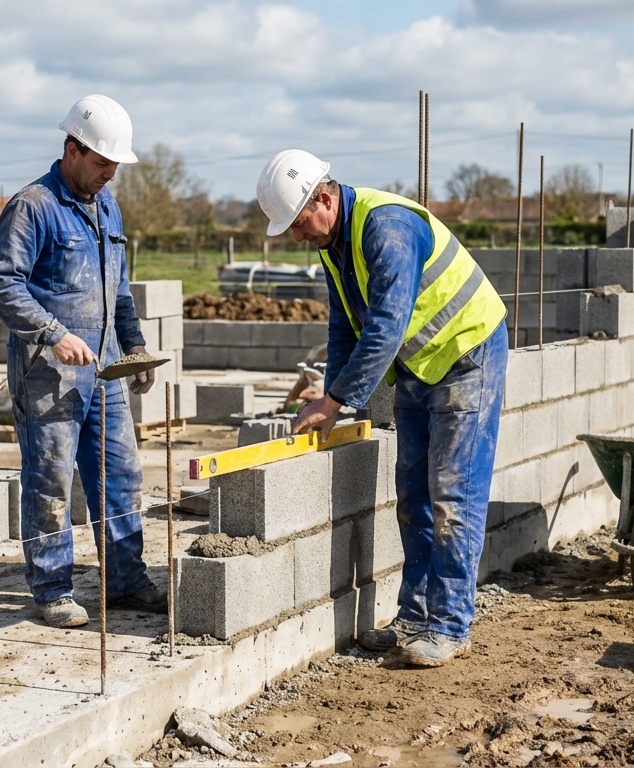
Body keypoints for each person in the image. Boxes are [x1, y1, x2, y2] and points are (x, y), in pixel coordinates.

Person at [256, 149, 509, 666]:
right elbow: (344, 327)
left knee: (452, 494)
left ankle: (450, 624)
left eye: (300, 224)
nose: (299, 238)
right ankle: (415, 617)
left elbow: (385, 327)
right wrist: (329, 395)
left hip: (467, 351)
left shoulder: (386, 227)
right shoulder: (334, 242)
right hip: (418, 364)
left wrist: (336, 400)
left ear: (323, 198)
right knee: (412, 492)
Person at [0, 94, 165, 627]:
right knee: (51, 480)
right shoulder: (33, 206)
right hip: (50, 374)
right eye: (104, 163)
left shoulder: (107, 206)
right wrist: (52, 333)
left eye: (116, 165)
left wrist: (135, 346)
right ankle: (53, 588)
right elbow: (2, 284)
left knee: (121, 475)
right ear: (72, 149)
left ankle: (126, 579)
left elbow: (120, 291)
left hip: (106, 370)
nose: (111, 174)